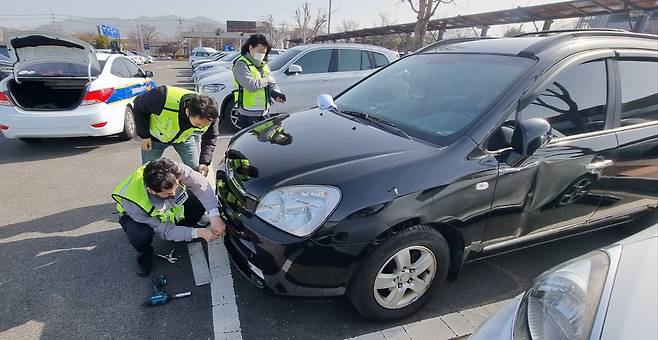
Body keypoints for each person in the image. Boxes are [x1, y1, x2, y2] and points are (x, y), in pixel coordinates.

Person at [112, 158, 227, 276]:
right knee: (140, 235)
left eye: (175, 188)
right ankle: (145, 254)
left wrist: (214, 216)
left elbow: (201, 185)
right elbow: (166, 231)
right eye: (167, 193)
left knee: (199, 199)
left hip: (169, 208)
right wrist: (199, 233)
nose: (173, 195)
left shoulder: (172, 169)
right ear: (151, 190)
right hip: (134, 217)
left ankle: (187, 225)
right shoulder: (134, 204)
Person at [133, 86, 220, 176]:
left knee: (195, 173)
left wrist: (204, 162)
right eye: (198, 125)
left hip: (184, 138)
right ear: (187, 112)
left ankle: (190, 189)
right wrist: (144, 136)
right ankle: (149, 189)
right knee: (149, 172)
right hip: (154, 139)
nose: (201, 127)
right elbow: (139, 106)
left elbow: (210, 138)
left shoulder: (210, 115)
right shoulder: (161, 96)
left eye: (203, 126)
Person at [232, 34, 286, 128]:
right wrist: (267, 80)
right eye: (259, 51)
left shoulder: (263, 65)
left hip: (264, 112)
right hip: (248, 114)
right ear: (250, 48)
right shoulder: (241, 64)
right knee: (251, 141)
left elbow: (272, 84)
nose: (261, 55)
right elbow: (251, 85)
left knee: (266, 141)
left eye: (264, 52)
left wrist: (276, 94)